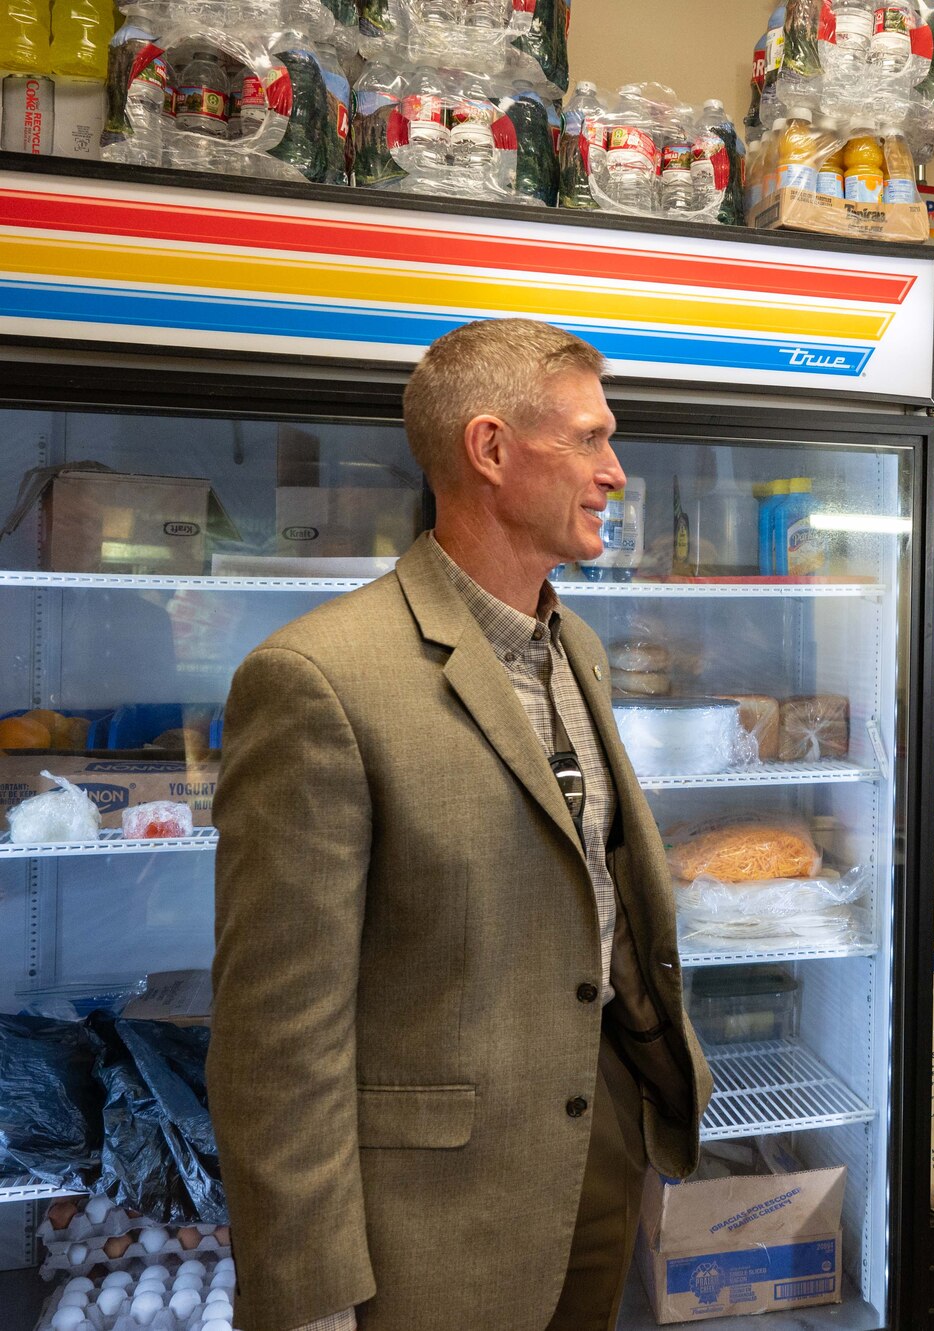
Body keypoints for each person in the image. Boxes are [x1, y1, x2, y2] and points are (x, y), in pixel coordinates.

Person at [209, 319, 710, 1331]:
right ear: (488, 449)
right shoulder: (318, 677)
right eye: (587, 439)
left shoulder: (575, 648)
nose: (614, 472)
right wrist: (308, 1292)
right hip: (434, 1215)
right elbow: (276, 1034)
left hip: (595, 1151)